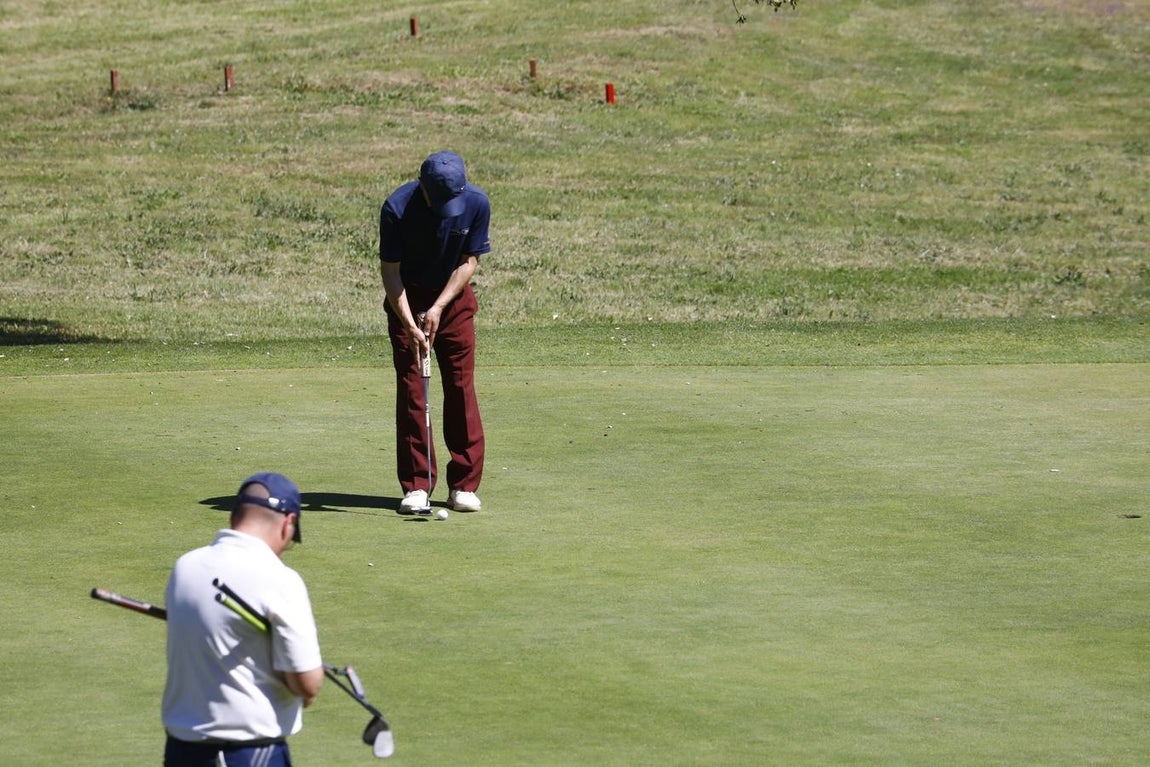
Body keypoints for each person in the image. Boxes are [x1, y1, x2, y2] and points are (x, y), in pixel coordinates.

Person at [162, 472, 324, 767]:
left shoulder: (184, 567)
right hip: (250, 754)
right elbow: (308, 683)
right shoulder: (280, 579)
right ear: (288, 524)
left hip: (181, 752)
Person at [379, 150, 491, 513]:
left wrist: (441, 306)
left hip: (454, 300)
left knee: (460, 385)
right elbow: (391, 273)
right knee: (414, 388)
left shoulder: (475, 203)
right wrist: (409, 323)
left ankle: (464, 485)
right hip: (407, 297)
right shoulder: (396, 208)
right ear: (423, 190)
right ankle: (416, 486)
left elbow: (468, 261)